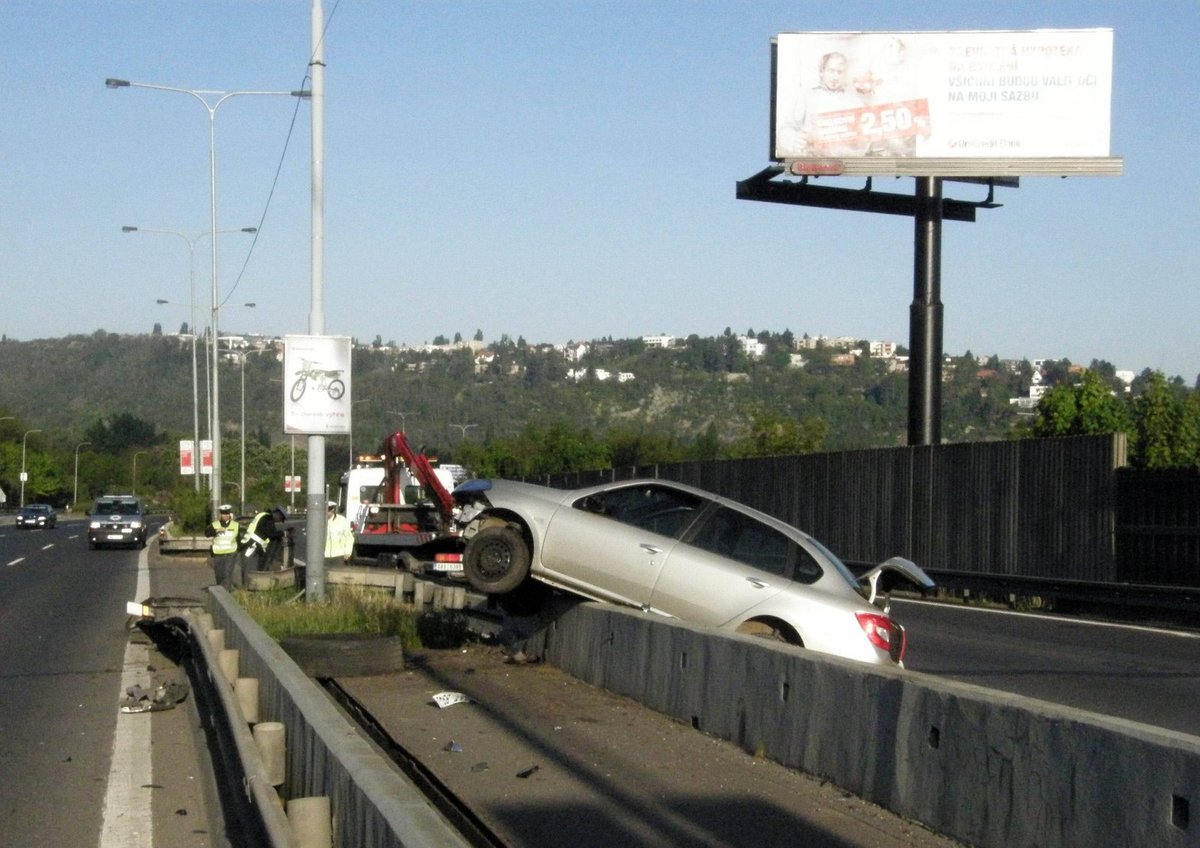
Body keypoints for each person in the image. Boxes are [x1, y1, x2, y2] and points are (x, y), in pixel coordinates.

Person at [205, 504, 242, 589]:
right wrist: (216, 531)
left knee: (227, 573)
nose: (225, 516)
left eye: (227, 514)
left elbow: (238, 539)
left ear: (230, 515)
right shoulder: (215, 525)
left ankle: (226, 593)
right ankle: (220, 590)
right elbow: (206, 533)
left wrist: (238, 550)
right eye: (223, 514)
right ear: (220, 515)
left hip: (231, 553)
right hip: (218, 553)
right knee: (219, 574)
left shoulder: (236, 525)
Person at [242, 506, 286, 572]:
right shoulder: (267, 519)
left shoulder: (263, 516)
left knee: (251, 568)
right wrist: (283, 533)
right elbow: (271, 534)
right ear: (278, 514)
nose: (279, 521)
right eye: (281, 519)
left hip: (251, 544)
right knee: (252, 569)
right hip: (253, 546)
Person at [324, 501, 355, 571]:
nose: (326, 512)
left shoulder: (342, 520)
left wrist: (348, 551)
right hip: (323, 555)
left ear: (332, 510)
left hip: (338, 555)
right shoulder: (319, 520)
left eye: (328, 510)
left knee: (337, 576)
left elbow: (349, 537)